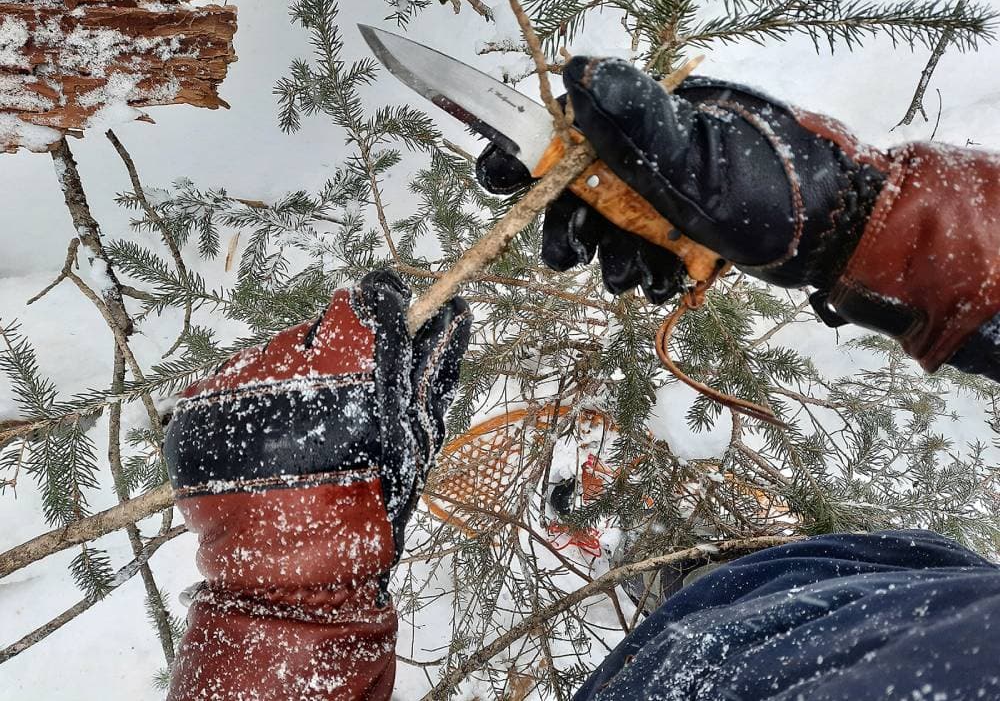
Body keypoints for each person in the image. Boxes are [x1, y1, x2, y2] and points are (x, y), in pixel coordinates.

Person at [163, 57, 1000, 700]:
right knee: (754, 583)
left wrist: (282, 598)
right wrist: (862, 220)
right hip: (877, 592)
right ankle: (710, 578)